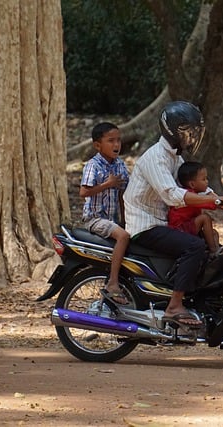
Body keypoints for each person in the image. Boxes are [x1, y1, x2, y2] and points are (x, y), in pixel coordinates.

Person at [123, 101, 223, 327]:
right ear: (173, 131)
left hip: (163, 222)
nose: (192, 137)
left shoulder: (176, 158)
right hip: (146, 226)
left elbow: (194, 187)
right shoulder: (156, 157)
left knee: (208, 244)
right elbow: (173, 195)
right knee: (194, 246)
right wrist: (214, 201)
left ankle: (197, 299)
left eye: (194, 132)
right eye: (188, 132)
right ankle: (174, 306)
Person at [80, 122, 131, 308]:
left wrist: (127, 221)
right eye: (111, 141)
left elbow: (124, 194)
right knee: (123, 237)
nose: (116, 144)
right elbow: (84, 193)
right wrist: (107, 184)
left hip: (113, 220)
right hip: (94, 219)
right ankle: (113, 282)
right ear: (97, 145)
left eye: (118, 140)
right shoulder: (93, 165)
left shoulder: (119, 165)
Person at [168, 161, 222, 256]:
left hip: (189, 225)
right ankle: (214, 251)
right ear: (192, 184)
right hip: (180, 229)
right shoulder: (190, 196)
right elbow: (211, 204)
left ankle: (213, 254)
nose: (207, 181)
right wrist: (221, 203)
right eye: (204, 179)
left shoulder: (195, 194)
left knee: (214, 234)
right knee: (204, 218)